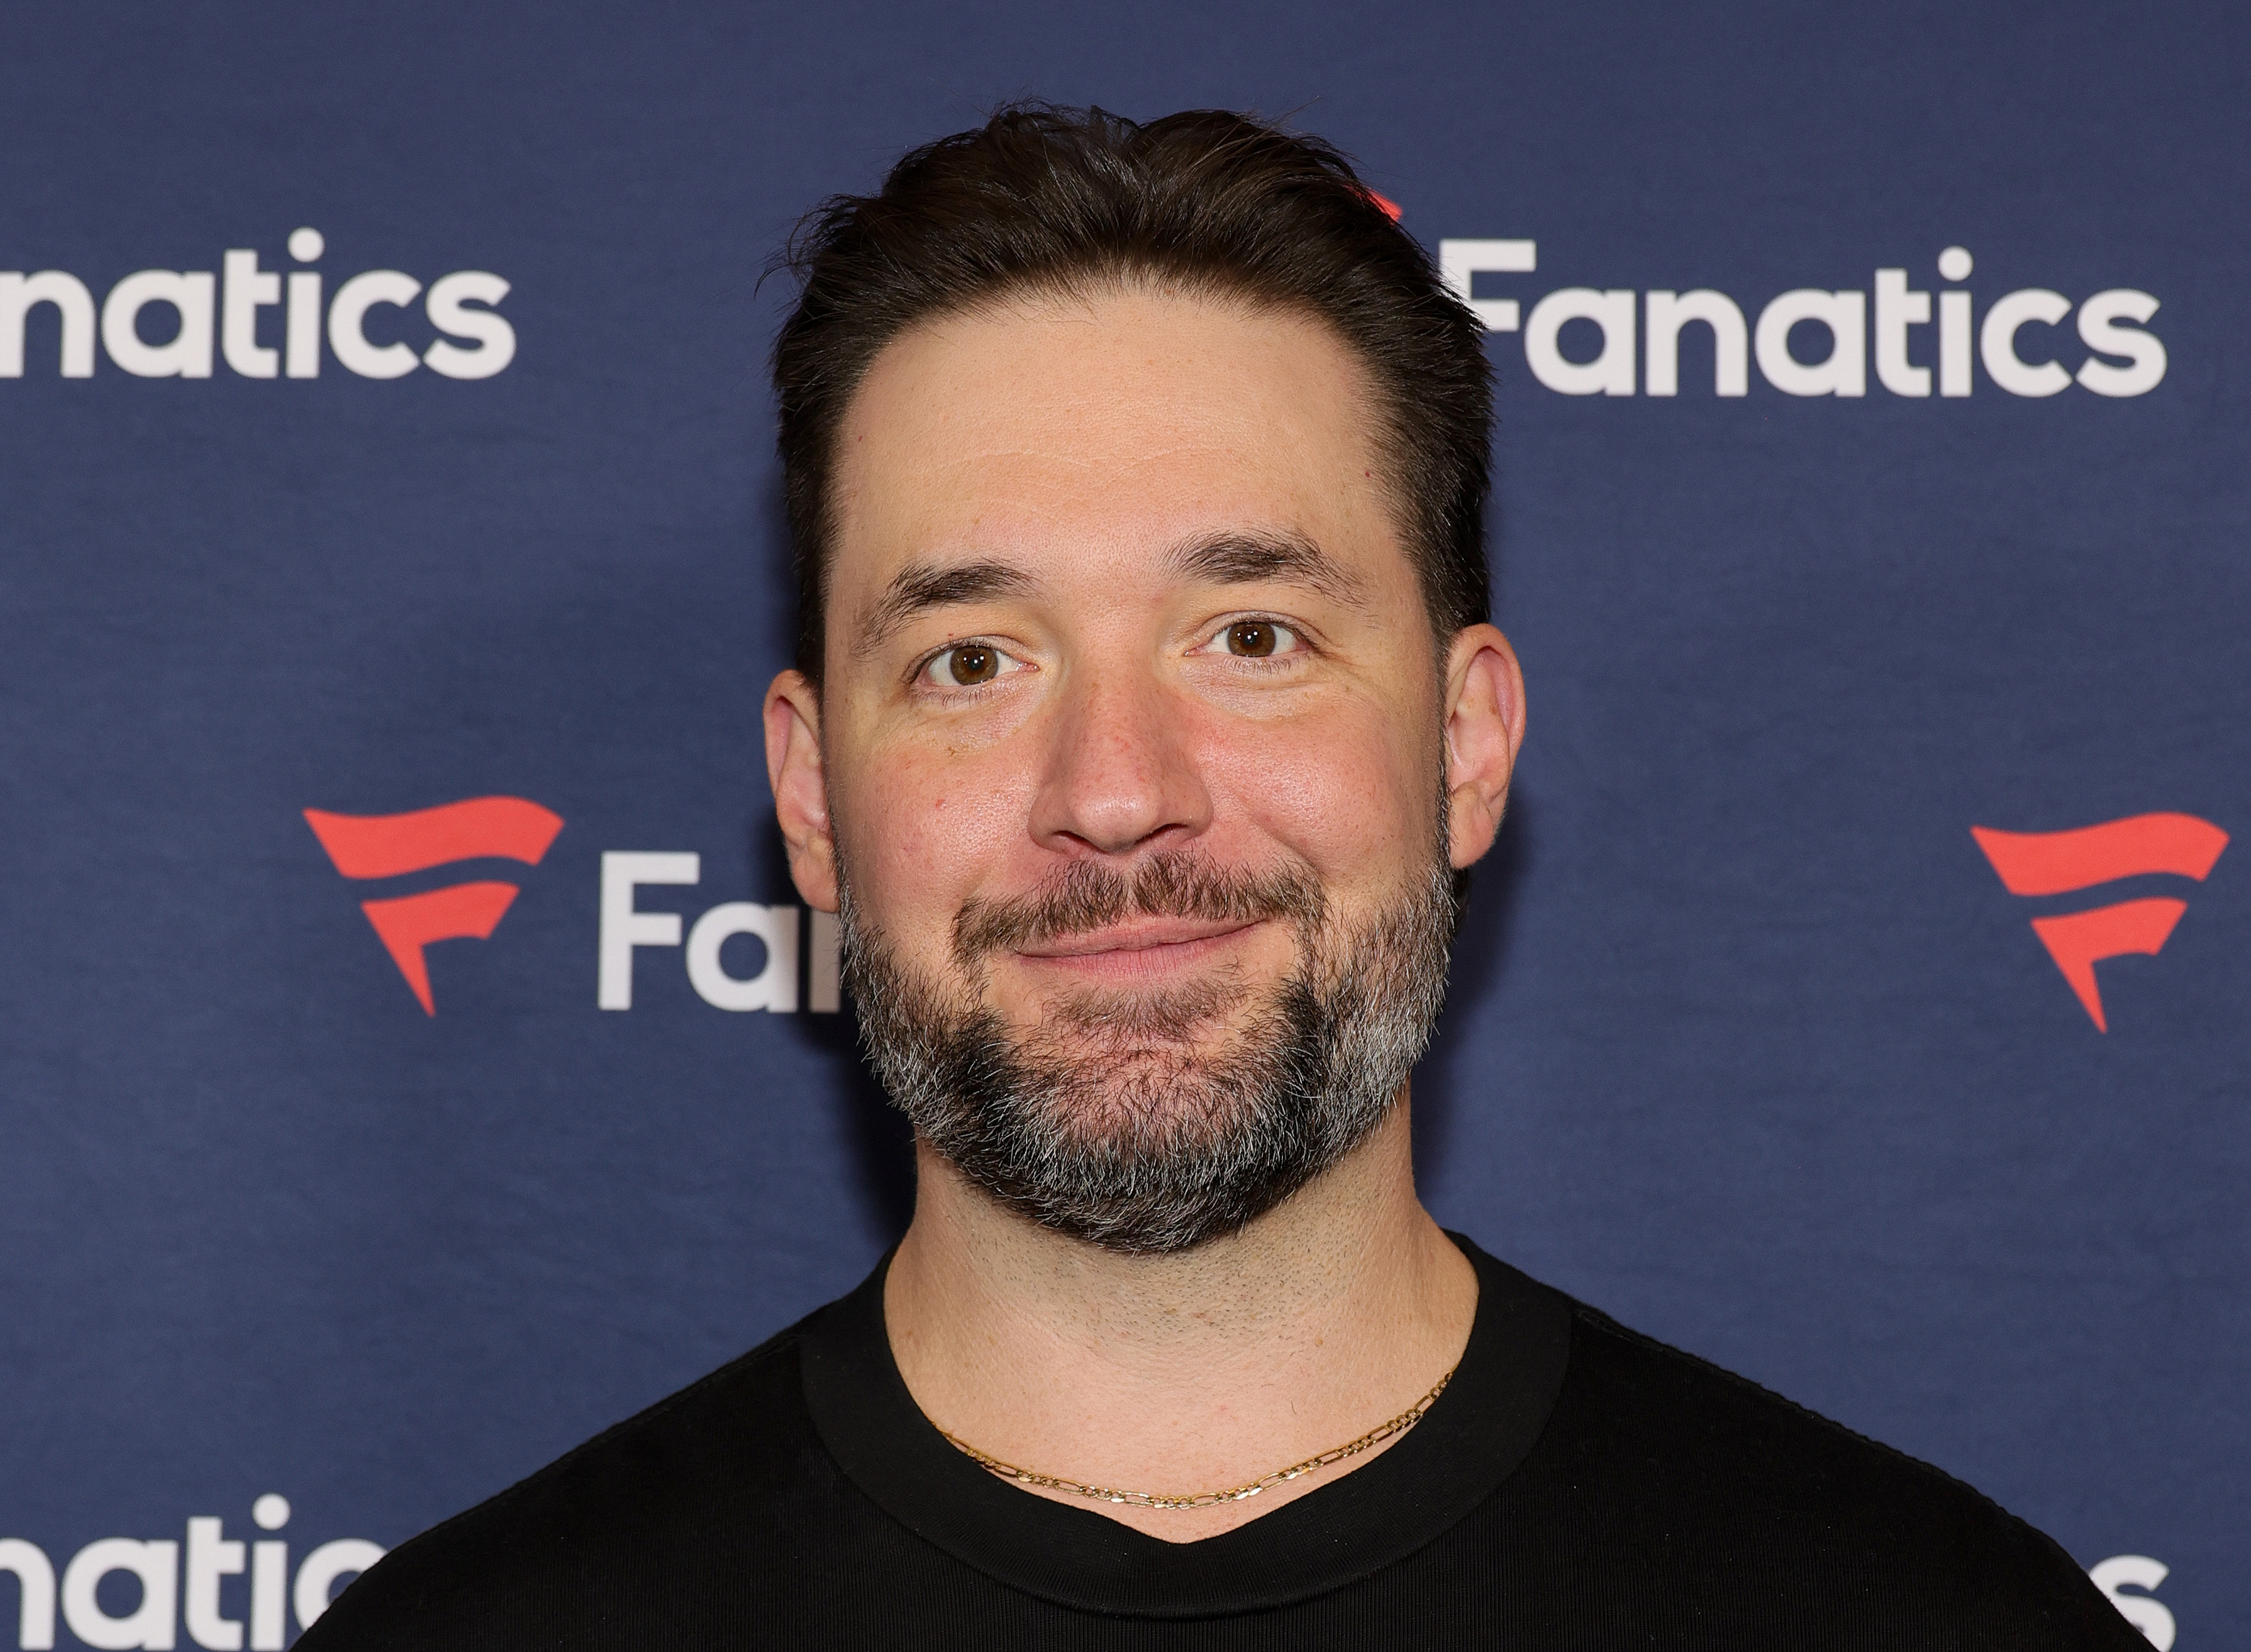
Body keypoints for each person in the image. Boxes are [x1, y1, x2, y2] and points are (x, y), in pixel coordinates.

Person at [302, 105, 2142, 1648]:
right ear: (807, 793)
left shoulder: (1931, 1617)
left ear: (1465, 743)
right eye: (972, 658)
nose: (1114, 795)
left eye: (1249, 635)